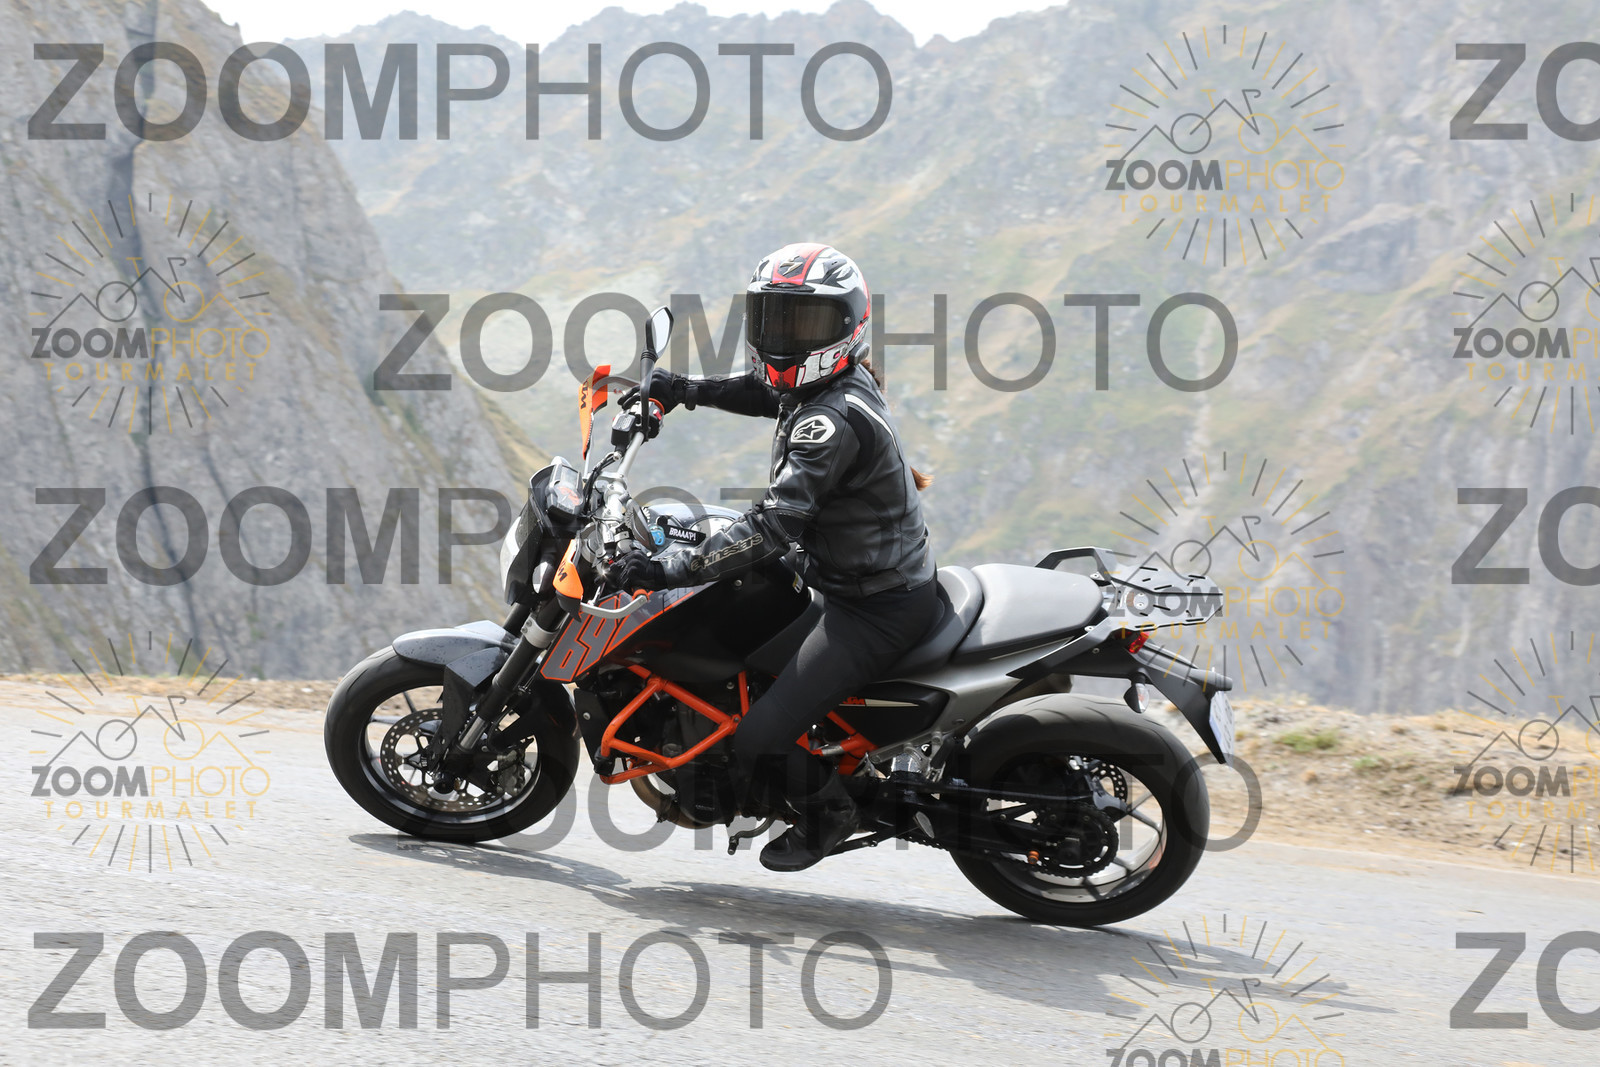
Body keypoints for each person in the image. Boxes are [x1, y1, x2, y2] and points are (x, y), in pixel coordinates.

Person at [609, 242, 939, 872]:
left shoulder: (832, 420)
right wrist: (686, 389)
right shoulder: (832, 383)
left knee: (758, 734)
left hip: (873, 608)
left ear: (848, 325)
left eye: (805, 323)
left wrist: (664, 572)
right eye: (775, 319)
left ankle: (830, 814)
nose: (786, 339)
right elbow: (766, 392)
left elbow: (770, 527)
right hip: (837, 578)